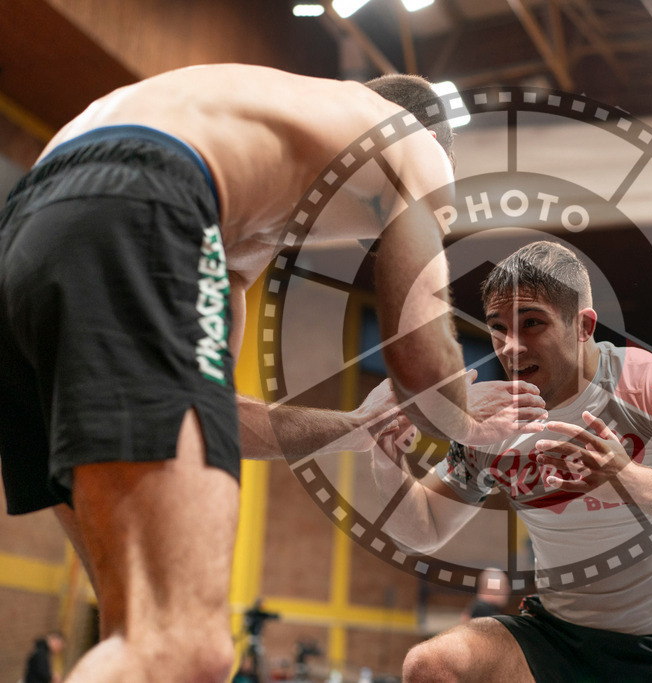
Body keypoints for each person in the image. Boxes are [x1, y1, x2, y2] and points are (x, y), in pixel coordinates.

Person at [0, 65, 547, 682]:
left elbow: (214, 417)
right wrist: (470, 421)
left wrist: (356, 426)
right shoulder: (412, 140)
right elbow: (420, 358)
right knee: (187, 646)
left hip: (23, 231)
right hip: (141, 196)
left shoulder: (242, 222)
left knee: (139, 627)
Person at [371, 241, 652, 682]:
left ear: (584, 325)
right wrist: (386, 460)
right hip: (555, 639)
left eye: (532, 324)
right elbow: (424, 528)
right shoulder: (492, 422)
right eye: (497, 327)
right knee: (430, 666)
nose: (510, 347)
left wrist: (629, 478)